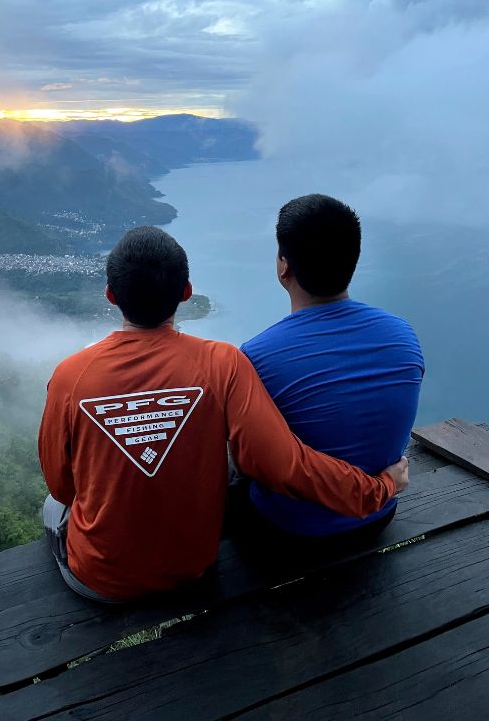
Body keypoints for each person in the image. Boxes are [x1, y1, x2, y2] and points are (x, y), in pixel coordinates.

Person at [38, 226, 408, 602]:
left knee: (51, 507)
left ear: (111, 295)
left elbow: (61, 486)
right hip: (193, 569)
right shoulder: (223, 362)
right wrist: (380, 488)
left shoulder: (71, 377)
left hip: (100, 582)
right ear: (186, 292)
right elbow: (287, 464)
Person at [241, 194, 424, 544]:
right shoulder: (403, 335)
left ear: (284, 266)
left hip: (291, 533)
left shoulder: (256, 357)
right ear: (352, 260)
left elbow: (256, 464)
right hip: (377, 517)